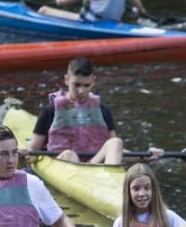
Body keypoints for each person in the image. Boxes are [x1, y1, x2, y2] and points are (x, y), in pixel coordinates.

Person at [29, 57, 161, 164]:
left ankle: (111, 181)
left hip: (95, 164)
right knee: (70, 155)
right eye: (77, 85)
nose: (82, 90)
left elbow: (115, 151)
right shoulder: (51, 111)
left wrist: (145, 157)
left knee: (116, 142)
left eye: (87, 85)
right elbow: (34, 151)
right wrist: (23, 155)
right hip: (65, 163)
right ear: (66, 80)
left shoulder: (103, 110)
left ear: (93, 81)